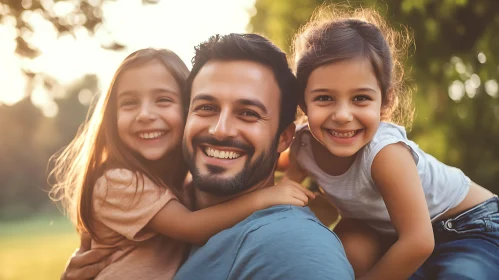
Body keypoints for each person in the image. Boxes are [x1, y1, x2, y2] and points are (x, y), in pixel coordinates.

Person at [50, 47, 316, 280]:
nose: (145, 115)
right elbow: (192, 227)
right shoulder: (118, 181)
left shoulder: (174, 182)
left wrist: (296, 161)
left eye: (163, 100)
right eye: (129, 103)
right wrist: (265, 197)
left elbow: (259, 157)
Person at [283, 5, 499, 279]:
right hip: (395, 232)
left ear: (385, 102)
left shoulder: (385, 154)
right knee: (348, 251)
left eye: (361, 98)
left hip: (469, 223)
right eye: (324, 98)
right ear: (303, 102)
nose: (343, 116)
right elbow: (277, 177)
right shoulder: (303, 147)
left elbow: (419, 241)